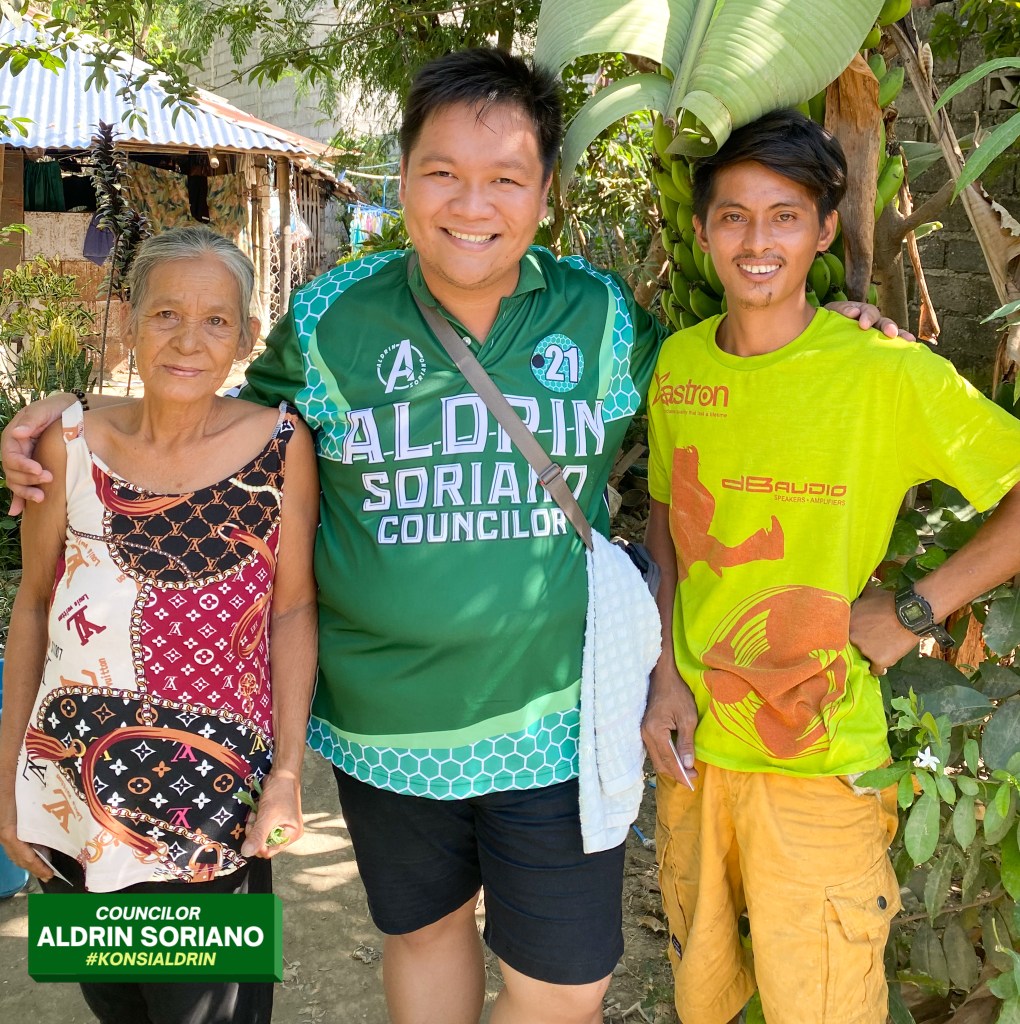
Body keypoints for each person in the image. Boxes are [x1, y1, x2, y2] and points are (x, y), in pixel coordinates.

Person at [2, 51, 908, 1024]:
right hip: (382, 732)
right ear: (403, 180)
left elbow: (725, 375)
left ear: (546, 194)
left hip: (558, 723)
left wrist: (824, 326)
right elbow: (214, 413)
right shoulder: (332, 316)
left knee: (566, 989)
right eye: (443, 172)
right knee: (417, 940)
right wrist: (75, 419)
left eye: (505, 178)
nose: (472, 204)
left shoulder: (600, 316)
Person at [641, 108, 1020, 1024]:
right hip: (695, 756)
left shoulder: (882, 371)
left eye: (784, 216)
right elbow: (666, 521)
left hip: (820, 760)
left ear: (822, 232)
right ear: (703, 231)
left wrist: (916, 610)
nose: (756, 241)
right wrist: (663, 676)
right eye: (733, 217)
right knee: (703, 999)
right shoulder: (680, 365)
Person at [0, 225, 319, 1024]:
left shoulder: (282, 448)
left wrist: (286, 775)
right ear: (130, 319)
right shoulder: (66, 443)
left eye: (216, 320)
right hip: (73, 797)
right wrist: (8, 783)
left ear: (247, 335)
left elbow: (292, 610)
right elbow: (33, 605)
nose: (188, 339)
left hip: (214, 808)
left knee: (208, 1012)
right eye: (166, 314)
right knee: (117, 1004)